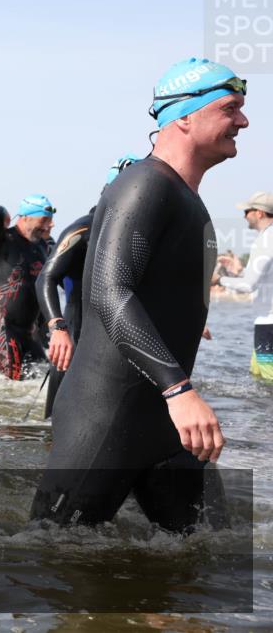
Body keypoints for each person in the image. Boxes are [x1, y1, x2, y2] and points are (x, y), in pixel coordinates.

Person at [31, 58, 247, 532]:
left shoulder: (185, 198)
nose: (244, 122)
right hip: (106, 417)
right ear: (185, 116)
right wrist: (179, 389)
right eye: (231, 108)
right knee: (47, 562)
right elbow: (111, 292)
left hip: (165, 424)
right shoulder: (146, 184)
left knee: (207, 560)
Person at [36, 155, 141, 418]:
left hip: (113, 348)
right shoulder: (82, 230)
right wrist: (58, 328)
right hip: (73, 339)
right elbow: (46, 278)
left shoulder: (136, 236)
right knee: (59, 425)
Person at [0, 194, 55, 380]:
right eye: (44, 220)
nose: (49, 225)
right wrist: (5, 216)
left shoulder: (42, 247)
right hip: (4, 328)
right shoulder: (3, 239)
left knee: (45, 378)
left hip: (29, 332)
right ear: (26, 216)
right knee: (12, 386)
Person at [216, 191, 273, 382]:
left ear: (259, 213)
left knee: (269, 380)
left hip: (269, 324)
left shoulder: (267, 240)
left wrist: (218, 280)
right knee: (257, 377)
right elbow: (259, 280)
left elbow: (249, 285)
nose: (243, 216)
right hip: (264, 322)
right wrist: (236, 272)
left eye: (247, 211)